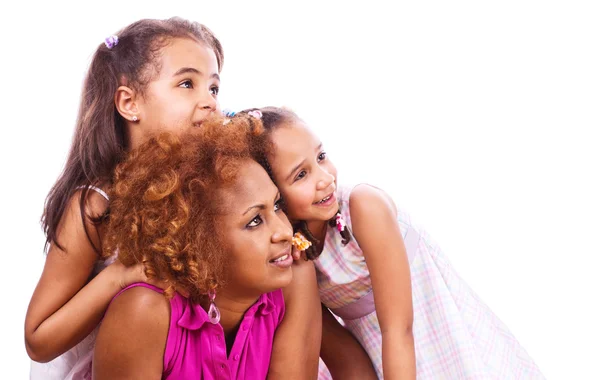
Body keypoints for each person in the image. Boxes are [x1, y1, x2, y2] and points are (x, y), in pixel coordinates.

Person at [25, 18, 321, 379]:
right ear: (129, 102)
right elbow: (38, 340)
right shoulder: (96, 206)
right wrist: (121, 276)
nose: (209, 102)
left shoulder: (208, 181)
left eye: (213, 88)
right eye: (187, 84)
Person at [240, 106, 545, 379]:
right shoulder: (293, 255)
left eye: (321, 157)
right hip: (377, 353)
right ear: (273, 194)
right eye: (301, 175)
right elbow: (342, 354)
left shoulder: (363, 207)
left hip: (424, 330)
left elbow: (398, 328)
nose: (324, 178)